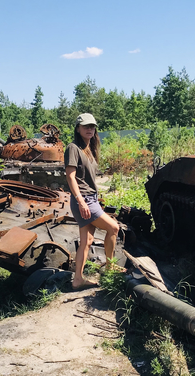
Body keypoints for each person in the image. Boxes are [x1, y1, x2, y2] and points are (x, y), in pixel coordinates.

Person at [64, 113, 120, 290]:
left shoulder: (89, 149)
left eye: (92, 126)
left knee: (87, 241)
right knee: (113, 227)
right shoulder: (73, 148)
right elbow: (70, 177)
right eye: (86, 126)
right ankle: (110, 269)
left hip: (90, 199)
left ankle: (78, 279)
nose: (90, 129)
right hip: (84, 200)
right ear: (78, 128)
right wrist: (80, 201)